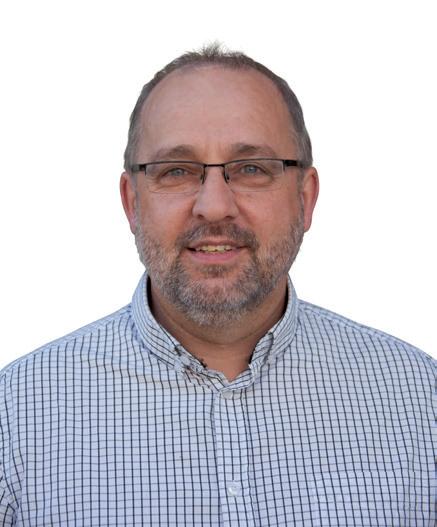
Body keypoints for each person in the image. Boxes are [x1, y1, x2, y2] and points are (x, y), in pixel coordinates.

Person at [0, 44, 435, 526]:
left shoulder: (421, 399)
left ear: (305, 198)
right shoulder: (15, 417)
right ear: (132, 202)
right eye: (176, 171)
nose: (214, 207)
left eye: (251, 169)